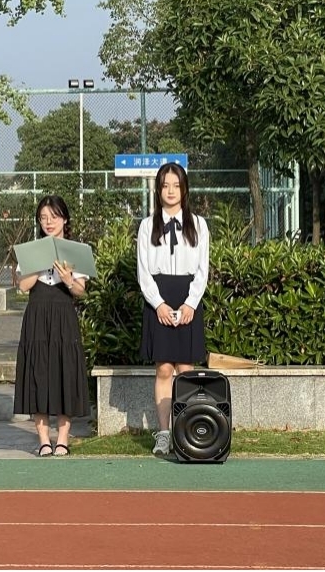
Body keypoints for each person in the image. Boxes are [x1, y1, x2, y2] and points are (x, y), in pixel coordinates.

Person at [137, 163, 210, 458]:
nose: (170, 191)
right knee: (164, 368)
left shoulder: (199, 224)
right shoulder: (147, 226)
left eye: (176, 185)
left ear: (184, 189)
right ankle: (164, 434)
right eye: (165, 185)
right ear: (158, 190)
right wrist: (159, 304)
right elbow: (143, 271)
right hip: (159, 298)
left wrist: (191, 303)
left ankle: (187, 432)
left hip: (188, 296)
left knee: (186, 369)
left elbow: (203, 269)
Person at [13, 194, 90, 457]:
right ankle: (44, 439)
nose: (49, 222)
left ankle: (63, 439)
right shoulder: (32, 250)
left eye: (54, 217)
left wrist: (68, 279)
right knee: (39, 375)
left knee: (64, 373)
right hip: (37, 317)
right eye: (43, 218)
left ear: (64, 219)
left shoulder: (75, 250)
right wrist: (38, 263)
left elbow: (80, 291)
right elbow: (23, 286)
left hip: (63, 317)